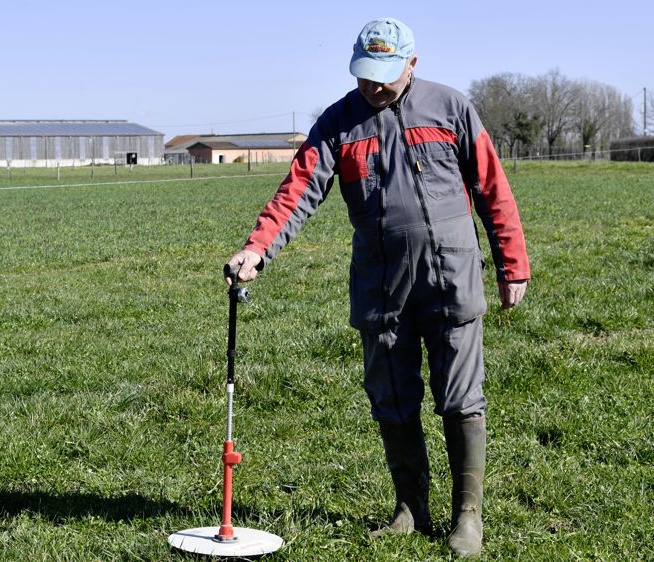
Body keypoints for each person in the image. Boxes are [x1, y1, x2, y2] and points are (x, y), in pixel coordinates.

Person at [224, 17, 529, 558]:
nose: (375, 86)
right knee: (391, 400)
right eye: (365, 75)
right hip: (382, 289)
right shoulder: (338, 124)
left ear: (413, 64)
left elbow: (491, 187)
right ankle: (411, 507)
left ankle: (468, 516)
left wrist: (513, 265)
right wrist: (257, 248)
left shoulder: (453, 108)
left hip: (451, 281)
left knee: (460, 400)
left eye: (386, 75)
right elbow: (297, 192)